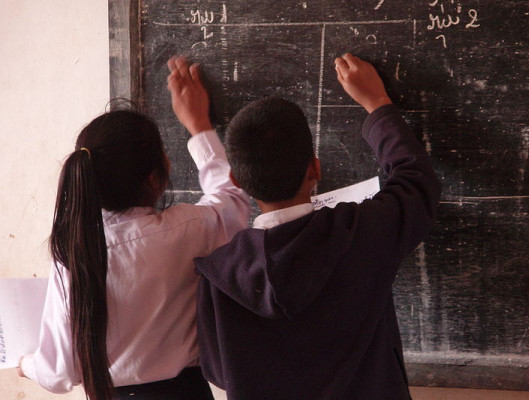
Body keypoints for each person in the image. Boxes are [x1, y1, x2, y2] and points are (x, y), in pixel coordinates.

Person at [192, 53, 442, 400]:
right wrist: (377, 103)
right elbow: (415, 183)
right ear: (315, 169)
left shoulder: (218, 276)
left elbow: (219, 371)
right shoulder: (359, 232)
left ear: (237, 180)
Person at [17, 56, 250, 400]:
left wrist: (27, 364)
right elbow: (232, 200)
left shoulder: (74, 253)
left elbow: (59, 372)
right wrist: (199, 125)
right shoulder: (188, 229)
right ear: (155, 177)